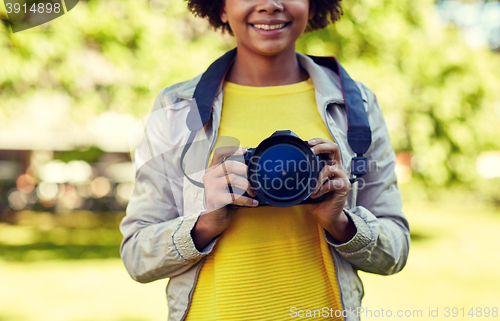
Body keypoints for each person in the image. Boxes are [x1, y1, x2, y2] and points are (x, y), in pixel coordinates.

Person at [119, 0, 410, 319]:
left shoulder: (356, 106)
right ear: (220, 7)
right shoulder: (176, 109)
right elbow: (137, 257)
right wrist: (205, 223)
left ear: (313, 5)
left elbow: (395, 252)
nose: (270, 5)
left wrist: (340, 222)